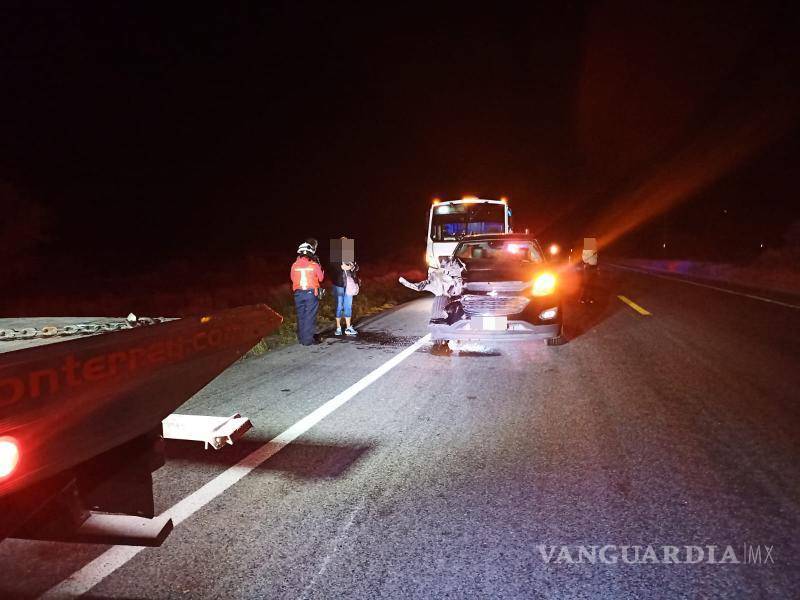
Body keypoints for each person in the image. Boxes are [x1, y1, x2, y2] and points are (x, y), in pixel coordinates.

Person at [290, 241, 324, 345]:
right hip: (310, 293)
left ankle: (302, 338)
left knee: (301, 316)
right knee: (310, 316)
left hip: (298, 294)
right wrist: (320, 267)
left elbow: (292, 278)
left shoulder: (294, 265)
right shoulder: (314, 265)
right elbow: (321, 278)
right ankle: (308, 340)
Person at [330, 259, 359, 336]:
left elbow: (356, 267)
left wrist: (352, 266)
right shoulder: (335, 257)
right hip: (338, 285)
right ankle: (338, 328)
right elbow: (341, 267)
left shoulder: (349, 256)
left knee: (348, 306)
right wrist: (350, 266)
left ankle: (348, 327)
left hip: (349, 285)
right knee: (339, 306)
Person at [580, 237, 598, 304]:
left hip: (593, 267)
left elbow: (595, 259)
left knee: (592, 284)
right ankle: (583, 298)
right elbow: (584, 258)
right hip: (588, 268)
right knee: (587, 284)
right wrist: (586, 264)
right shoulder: (587, 249)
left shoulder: (594, 249)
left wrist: (597, 267)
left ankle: (590, 299)